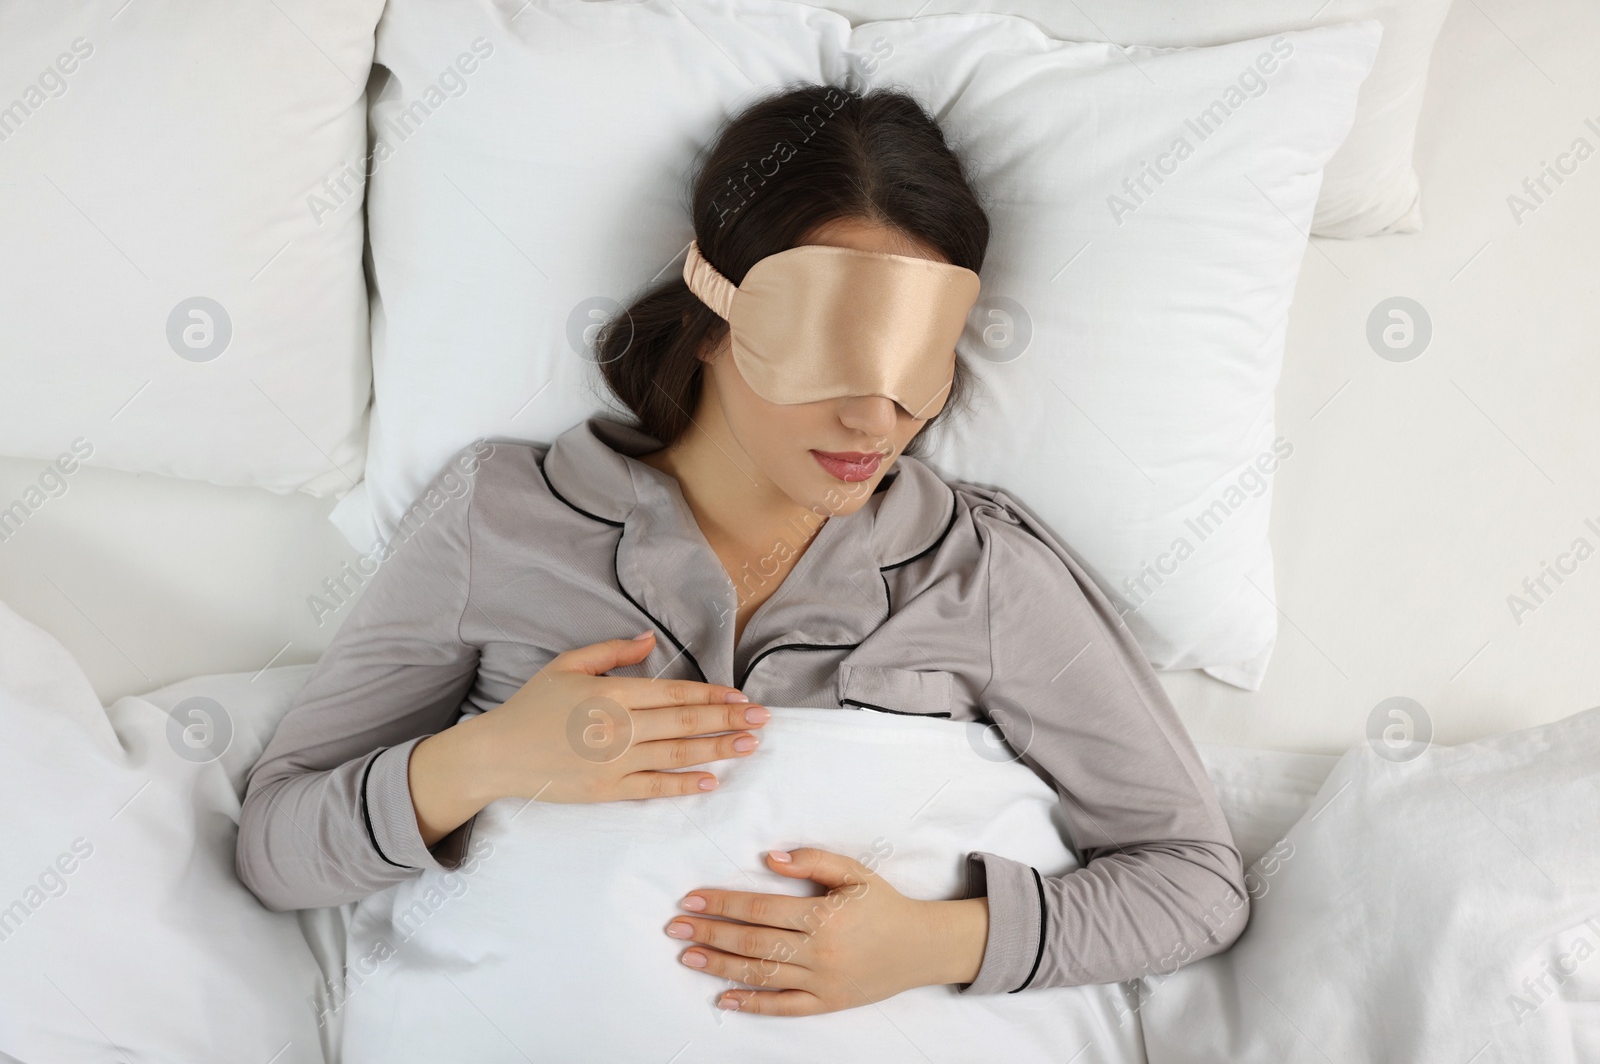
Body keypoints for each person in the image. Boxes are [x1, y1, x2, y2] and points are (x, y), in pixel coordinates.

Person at [237, 81, 1249, 1017]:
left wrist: (930, 939)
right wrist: (489, 755)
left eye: (912, 364)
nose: (871, 417)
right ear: (714, 316)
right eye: (827, 351)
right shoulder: (496, 517)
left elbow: (1195, 880)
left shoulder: (982, 571)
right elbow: (276, 848)